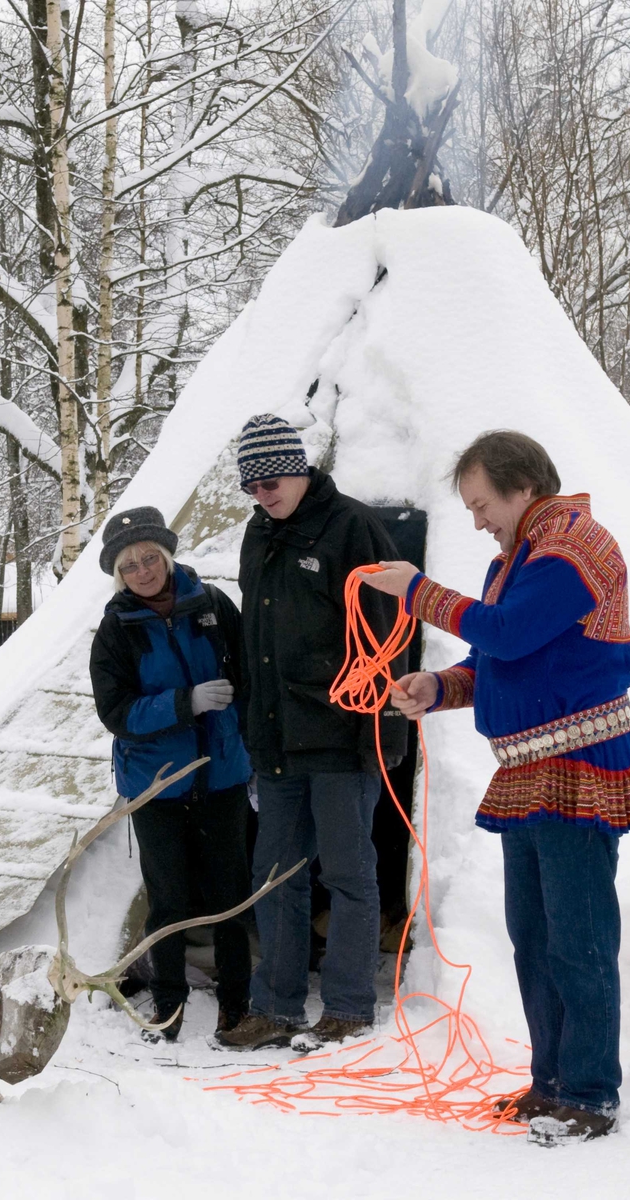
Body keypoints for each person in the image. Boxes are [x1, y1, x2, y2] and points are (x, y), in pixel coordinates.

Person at [360, 430, 630, 1143]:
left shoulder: (575, 546)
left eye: (482, 505)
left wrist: (415, 592)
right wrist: (437, 686)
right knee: (534, 937)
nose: (477, 520)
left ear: (523, 487)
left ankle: (591, 1092)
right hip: (528, 769)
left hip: (581, 764)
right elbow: (495, 660)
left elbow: (507, 635)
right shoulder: (516, 561)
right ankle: (551, 1084)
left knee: (578, 938)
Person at [217, 414, 408, 1051]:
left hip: (341, 737)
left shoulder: (352, 528)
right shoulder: (258, 534)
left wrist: (374, 729)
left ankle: (350, 1006)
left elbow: (388, 636)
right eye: (252, 484)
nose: (263, 492)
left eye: (272, 478)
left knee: (349, 876)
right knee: (275, 876)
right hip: (275, 740)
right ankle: (277, 1006)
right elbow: (256, 637)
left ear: (299, 469)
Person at [90, 506, 253, 1041]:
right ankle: (169, 1003)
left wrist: (247, 743)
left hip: (221, 775)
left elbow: (249, 676)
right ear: (119, 573)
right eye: (130, 563)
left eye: (149, 557)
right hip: (156, 786)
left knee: (230, 894)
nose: (143, 570)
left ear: (166, 556)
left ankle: (236, 1001)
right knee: (169, 900)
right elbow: (117, 713)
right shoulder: (116, 631)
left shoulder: (211, 606)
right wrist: (185, 702)